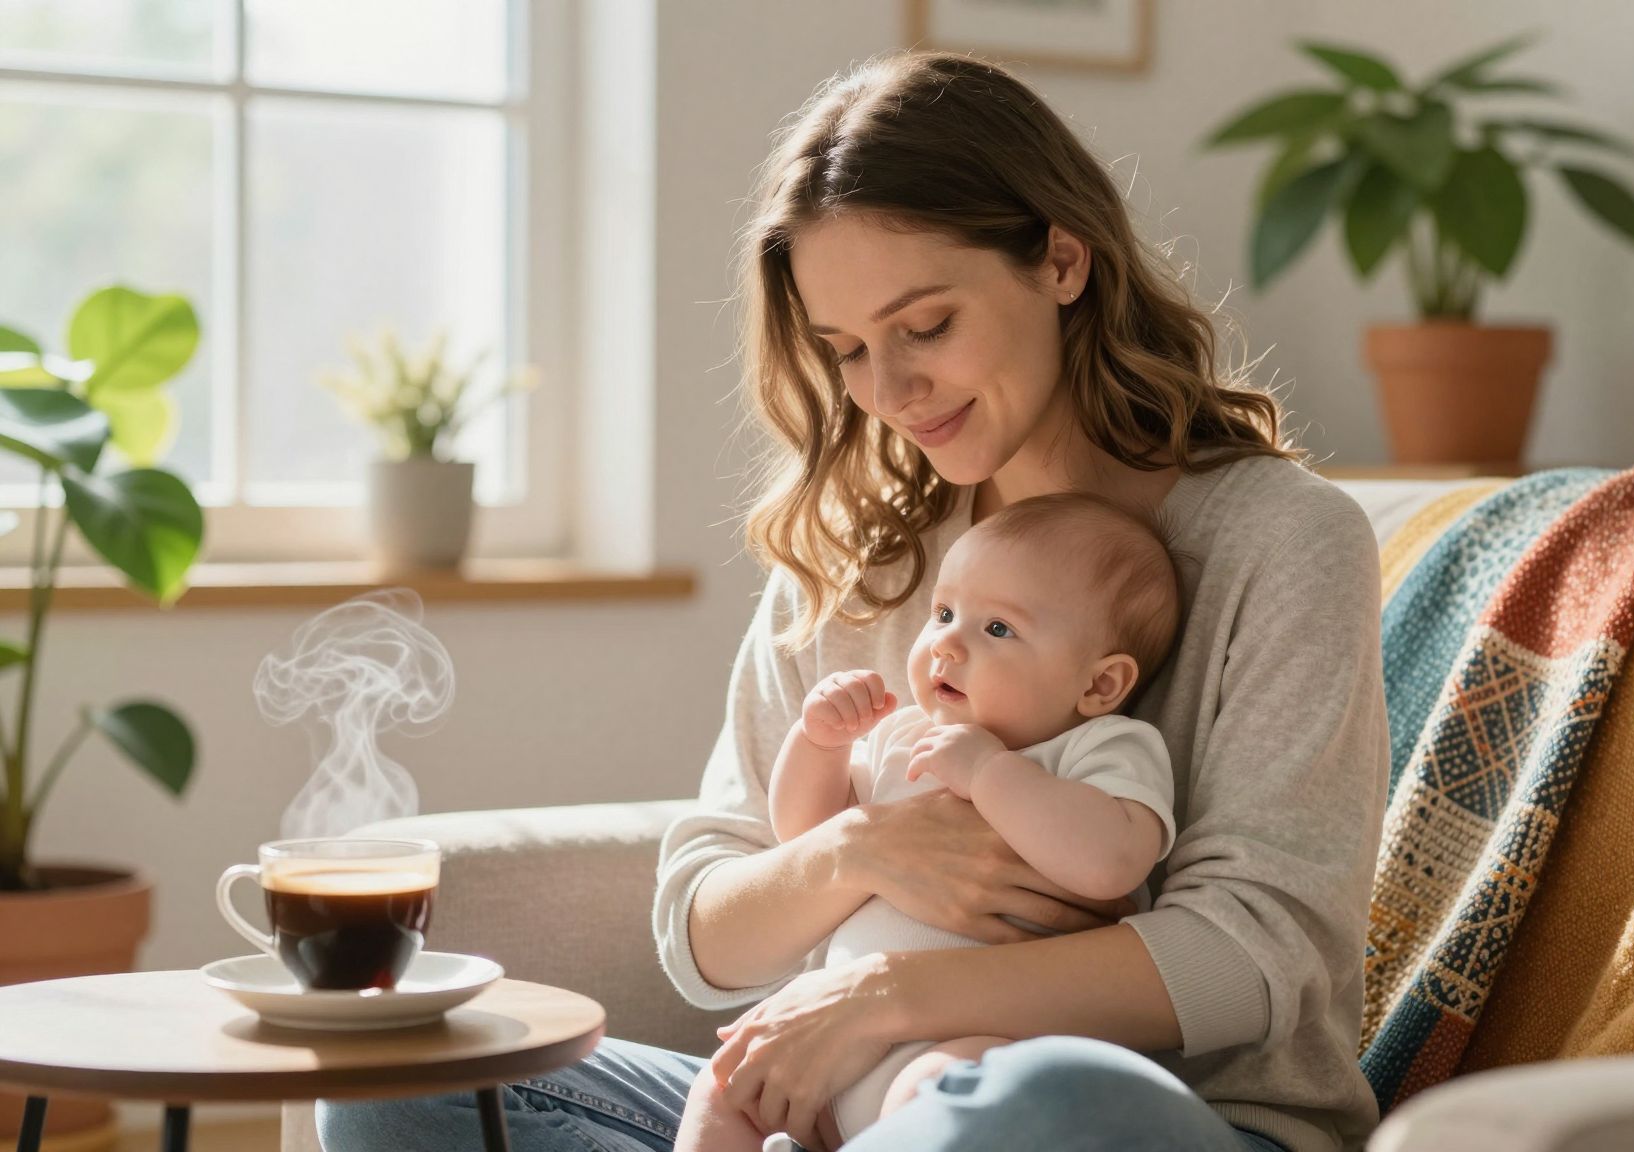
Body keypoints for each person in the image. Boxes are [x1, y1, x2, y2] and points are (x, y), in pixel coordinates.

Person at [315, 47, 1389, 1152]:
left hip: (1144, 1121)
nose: (888, 391)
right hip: (841, 1111)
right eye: (846, 351)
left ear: (1061, 261)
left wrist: (883, 999)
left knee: (1030, 1110)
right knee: (395, 1074)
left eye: (925, 326)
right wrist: (858, 853)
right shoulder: (860, 550)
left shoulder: (1279, 540)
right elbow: (700, 931)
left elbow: (1259, 957)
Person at [677, 492, 1184, 1151]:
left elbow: (1110, 862)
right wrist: (820, 745)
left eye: (996, 629)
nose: (946, 642)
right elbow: (803, 834)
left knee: (950, 1094)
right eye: (944, 613)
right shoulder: (907, 736)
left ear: (1100, 686)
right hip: (824, 1052)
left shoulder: (1099, 748)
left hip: (974, 1043)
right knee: (722, 1089)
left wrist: (989, 774)